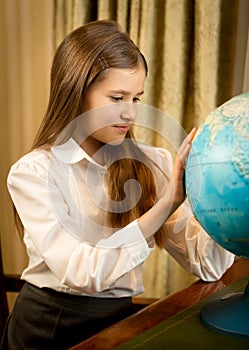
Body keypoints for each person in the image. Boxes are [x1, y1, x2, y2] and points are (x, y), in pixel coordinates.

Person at [1, 20, 234, 350]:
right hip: (49, 327)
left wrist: (219, 188)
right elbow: (82, 273)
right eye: (117, 97)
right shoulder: (33, 172)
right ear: (76, 93)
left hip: (123, 322)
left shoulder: (153, 164)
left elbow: (209, 266)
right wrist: (165, 204)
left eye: (136, 98)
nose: (131, 114)